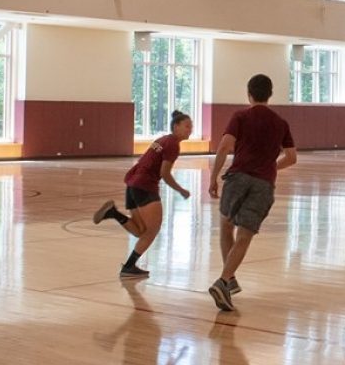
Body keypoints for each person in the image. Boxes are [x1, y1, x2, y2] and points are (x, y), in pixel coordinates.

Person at [206, 74, 297, 312]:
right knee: (245, 236)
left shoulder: (241, 116)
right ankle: (227, 279)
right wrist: (271, 166)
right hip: (264, 184)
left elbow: (225, 146)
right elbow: (292, 157)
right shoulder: (280, 122)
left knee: (226, 226)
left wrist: (214, 176)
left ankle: (225, 280)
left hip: (237, 178)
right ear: (270, 94)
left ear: (249, 94)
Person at [93, 110, 192, 277]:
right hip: (145, 186)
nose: (190, 129)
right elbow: (165, 174)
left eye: (191, 127)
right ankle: (129, 267)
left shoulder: (163, 139)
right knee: (151, 231)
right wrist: (181, 190)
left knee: (140, 231)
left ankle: (113, 213)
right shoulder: (173, 144)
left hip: (132, 184)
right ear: (176, 127)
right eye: (187, 126)